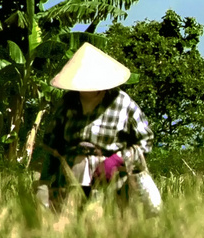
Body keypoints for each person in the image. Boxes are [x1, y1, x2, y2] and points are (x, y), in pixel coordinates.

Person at [39, 41, 163, 212]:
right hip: (70, 177)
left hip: (112, 179)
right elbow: (51, 145)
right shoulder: (67, 102)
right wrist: (43, 183)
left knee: (107, 226)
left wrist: (118, 160)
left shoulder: (122, 102)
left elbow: (145, 140)